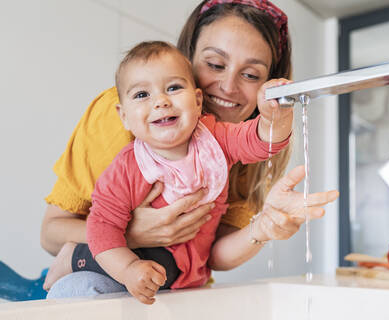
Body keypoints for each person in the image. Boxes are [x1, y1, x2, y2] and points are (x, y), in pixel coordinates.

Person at [41, 0, 339, 299]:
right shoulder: (129, 145)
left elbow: (212, 254)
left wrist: (263, 227)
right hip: (126, 270)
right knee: (77, 288)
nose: (228, 86)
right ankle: (78, 259)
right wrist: (126, 241)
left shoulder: (218, 138)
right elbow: (71, 228)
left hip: (182, 281)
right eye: (215, 65)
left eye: (250, 75)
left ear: (197, 99)